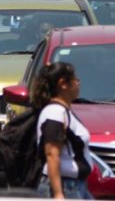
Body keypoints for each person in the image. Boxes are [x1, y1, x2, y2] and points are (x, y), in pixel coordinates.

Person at [32, 62, 93, 199]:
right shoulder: (55, 113)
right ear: (63, 84)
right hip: (66, 187)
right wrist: (59, 194)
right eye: (75, 79)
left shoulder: (63, 112)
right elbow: (52, 154)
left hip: (75, 186)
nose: (78, 83)